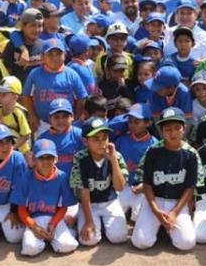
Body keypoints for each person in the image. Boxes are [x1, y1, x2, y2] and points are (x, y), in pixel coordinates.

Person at [132, 107, 199, 251]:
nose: (173, 133)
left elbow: (190, 187)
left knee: (187, 243)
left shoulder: (191, 154)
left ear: (184, 128)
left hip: (177, 202)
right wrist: (156, 210)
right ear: (161, 131)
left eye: (177, 128)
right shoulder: (153, 151)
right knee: (141, 242)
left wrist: (175, 212)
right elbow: (147, 184)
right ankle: (158, 224)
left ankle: (165, 227)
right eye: (167, 129)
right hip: (155, 201)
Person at [10, 138, 79, 256]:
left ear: (56, 159)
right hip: (34, 220)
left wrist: (53, 224)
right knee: (30, 249)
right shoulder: (26, 177)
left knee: (67, 246)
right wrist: (33, 226)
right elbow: (21, 208)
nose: (46, 162)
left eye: (50, 157)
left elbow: (63, 207)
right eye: (41, 158)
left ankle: (64, 234)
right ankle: (45, 240)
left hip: (55, 219)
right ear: (33, 159)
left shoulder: (62, 177)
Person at [70, 117, 128, 246]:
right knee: (89, 241)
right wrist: (89, 221)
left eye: (104, 137)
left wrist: (113, 160)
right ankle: (92, 221)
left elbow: (119, 187)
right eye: (96, 139)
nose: (101, 142)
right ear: (85, 141)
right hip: (90, 204)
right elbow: (83, 192)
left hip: (110, 201)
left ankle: (102, 224)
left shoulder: (116, 156)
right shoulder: (80, 158)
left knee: (118, 237)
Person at [21, 39, 88, 135]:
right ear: (43, 57)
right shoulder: (35, 74)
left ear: (64, 56)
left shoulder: (72, 74)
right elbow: (26, 96)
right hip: (42, 123)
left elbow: (81, 98)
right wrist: (32, 116)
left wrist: (75, 120)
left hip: (66, 123)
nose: (55, 57)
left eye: (58, 54)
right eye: (50, 54)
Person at [114, 103, 158, 221]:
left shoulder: (155, 144)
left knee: (138, 218)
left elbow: (157, 171)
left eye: (137, 122)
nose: (132, 125)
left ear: (147, 123)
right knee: (115, 216)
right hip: (123, 186)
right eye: (130, 121)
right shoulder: (121, 140)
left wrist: (144, 185)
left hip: (143, 187)